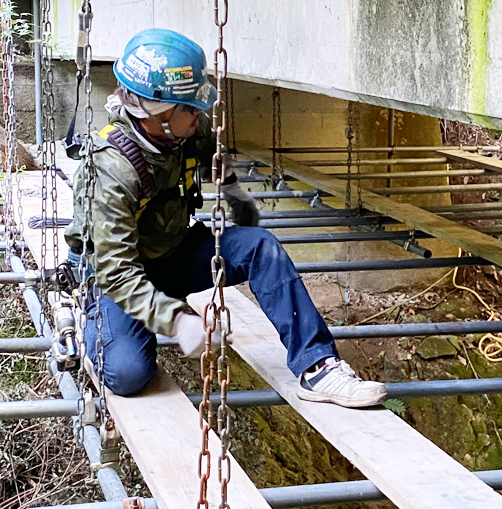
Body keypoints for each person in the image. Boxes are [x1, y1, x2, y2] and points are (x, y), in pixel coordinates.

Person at [63, 28, 386, 408]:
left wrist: (233, 193)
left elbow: (211, 153)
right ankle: (98, 315)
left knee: (259, 247)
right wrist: (178, 322)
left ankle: (317, 366)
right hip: (114, 275)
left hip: (172, 254)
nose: (200, 114)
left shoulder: (184, 128)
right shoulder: (111, 170)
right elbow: (115, 272)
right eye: (190, 107)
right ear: (155, 112)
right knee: (128, 374)